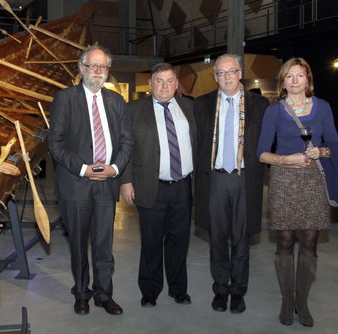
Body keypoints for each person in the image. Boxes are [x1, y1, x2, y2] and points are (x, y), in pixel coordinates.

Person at [48, 45, 133, 316]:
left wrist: (116, 168)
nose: (98, 71)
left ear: (108, 71)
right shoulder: (65, 99)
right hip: (76, 184)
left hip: (107, 184)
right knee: (78, 244)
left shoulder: (116, 101)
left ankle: (104, 295)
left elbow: (127, 141)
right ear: (82, 68)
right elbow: (55, 143)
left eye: (103, 67)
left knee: (103, 244)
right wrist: (83, 169)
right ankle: (81, 293)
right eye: (93, 66)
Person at [257, 57, 338, 327]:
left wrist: (322, 151)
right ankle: (286, 300)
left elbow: (334, 144)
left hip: (315, 179)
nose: (294, 81)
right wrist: (287, 160)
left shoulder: (323, 107)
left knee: (309, 242)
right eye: (289, 76)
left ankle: (301, 303)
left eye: (299, 76)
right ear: (283, 82)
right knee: (284, 242)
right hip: (284, 181)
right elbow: (261, 153)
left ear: (308, 79)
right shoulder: (274, 111)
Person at [194, 53, 269, 314]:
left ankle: (238, 291)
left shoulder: (260, 105)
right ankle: (220, 289)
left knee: (241, 239)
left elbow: (270, 142)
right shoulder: (201, 105)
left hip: (244, 180)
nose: (226, 77)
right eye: (221, 73)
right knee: (217, 239)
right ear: (215, 77)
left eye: (231, 71)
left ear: (240, 73)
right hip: (214, 180)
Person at [120, 63, 195, 308]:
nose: (164, 86)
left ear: (176, 84)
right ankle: (150, 291)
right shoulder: (133, 109)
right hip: (150, 186)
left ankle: (178, 289)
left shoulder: (189, 107)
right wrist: (126, 180)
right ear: (150, 84)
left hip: (183, 186)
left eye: (169, 80)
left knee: (179, 241)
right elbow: (126, 148)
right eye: (159, 81)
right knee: (151, 242)